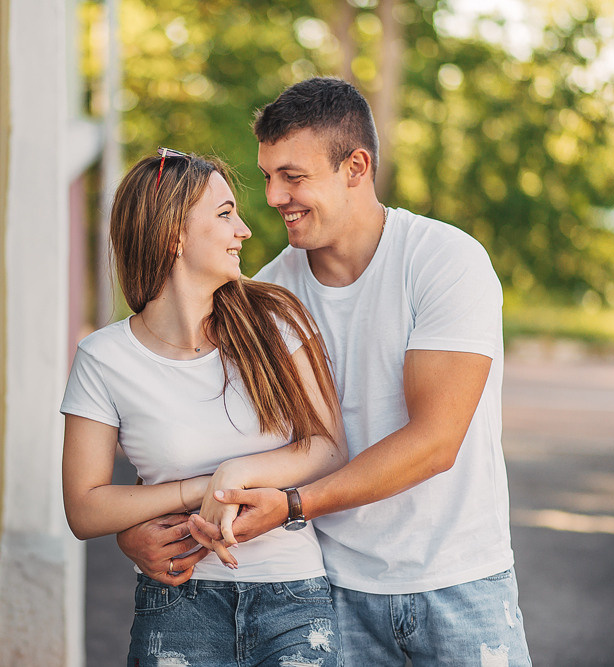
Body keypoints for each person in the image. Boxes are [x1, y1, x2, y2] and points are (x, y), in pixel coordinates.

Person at [118, 78, 532, 665]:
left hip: (460, 581)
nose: (272, 197)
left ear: (356, 167)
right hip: (327, 591)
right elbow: (197, 426)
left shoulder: (444, 261)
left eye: (293, 176)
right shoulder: (262, 295)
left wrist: (292, 504)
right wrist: (138, 530)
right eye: (266, 177)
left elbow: (435, 442)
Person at [60, 149, 349, 666]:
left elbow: (327, 449)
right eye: (224, 214)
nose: (244, 230)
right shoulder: (103, 359)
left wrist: (236, 472)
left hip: (293, 601)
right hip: (176, 603)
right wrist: (202, 489)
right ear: (174, 234)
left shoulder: (277, 322)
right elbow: (84, 508)